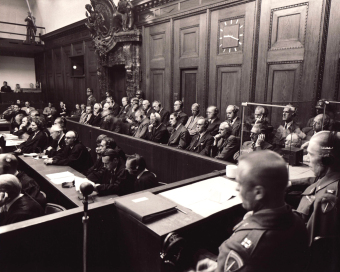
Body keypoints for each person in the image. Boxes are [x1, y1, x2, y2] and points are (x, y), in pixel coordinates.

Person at [197, 151, 309, 272]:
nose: (237, 188)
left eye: (240, 183)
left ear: (258, 193)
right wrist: (221, 267)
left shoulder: (238, 247)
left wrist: (222, 266)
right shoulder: (299, 222)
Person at [292, 131, 340, 244]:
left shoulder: (328, 197)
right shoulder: (326, 178)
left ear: (327, 160)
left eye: (311, 154)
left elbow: (311, 243)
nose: (307, 159)